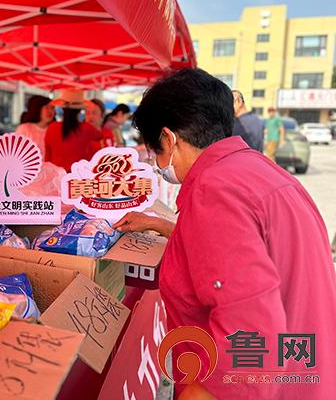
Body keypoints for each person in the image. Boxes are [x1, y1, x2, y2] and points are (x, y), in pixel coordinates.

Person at [113, 69, 336, 400]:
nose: (158, 163)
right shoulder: (255, 170)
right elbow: (239, 255)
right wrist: (161, 226)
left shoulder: (214, 190)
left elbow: (251, 345)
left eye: (156, 151)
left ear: (170, 138)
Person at [44, 90, 103, 173]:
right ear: (80, 111)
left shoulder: (52, 127)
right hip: (78, 177)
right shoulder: (87, 128)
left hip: (56, 176)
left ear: (63, 109)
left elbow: (47, 157)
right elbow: (100, 136)